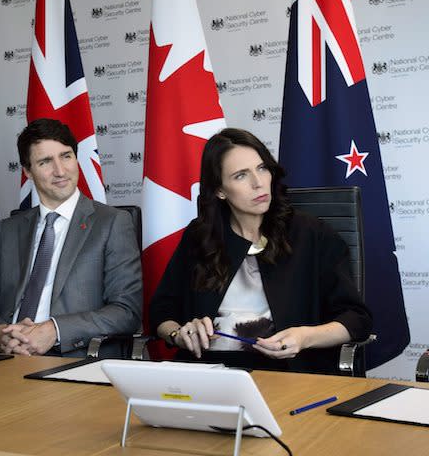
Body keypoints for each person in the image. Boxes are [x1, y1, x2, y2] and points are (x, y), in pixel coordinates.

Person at [149, 128, 372, 373]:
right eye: (241, 176)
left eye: (262, 168)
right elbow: (162, 312)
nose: (258, 183)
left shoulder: (311, 233)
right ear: (220, 190)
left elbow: (356, 319)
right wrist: (178, 333)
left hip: (289, 374)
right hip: (208, 373)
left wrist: (305, 337)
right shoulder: (200, 235)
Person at [0, 118, 142, 358]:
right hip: (5, 358)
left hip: (71, 357)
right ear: (28, 171)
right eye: (45, 161)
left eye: (66, 156)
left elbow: (126, 311)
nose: (60, 171)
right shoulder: (8, 230)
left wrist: (55, 330)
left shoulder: (112, 223)